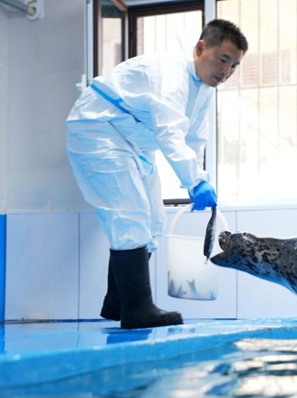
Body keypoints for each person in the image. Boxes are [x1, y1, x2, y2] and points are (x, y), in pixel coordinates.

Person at [65, 19, 248, 330]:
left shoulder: (203, 89)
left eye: (234, 65)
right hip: (98, 131)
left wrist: (200, 177)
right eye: (223, 59)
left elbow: (193, 139)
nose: (226, 71)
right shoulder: (171, 73)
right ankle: (137, 309)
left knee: (153, 221)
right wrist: (194, 181)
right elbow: (170, 133)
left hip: (132, 141)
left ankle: (119, 301)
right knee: (130, 216)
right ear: (201, 48)